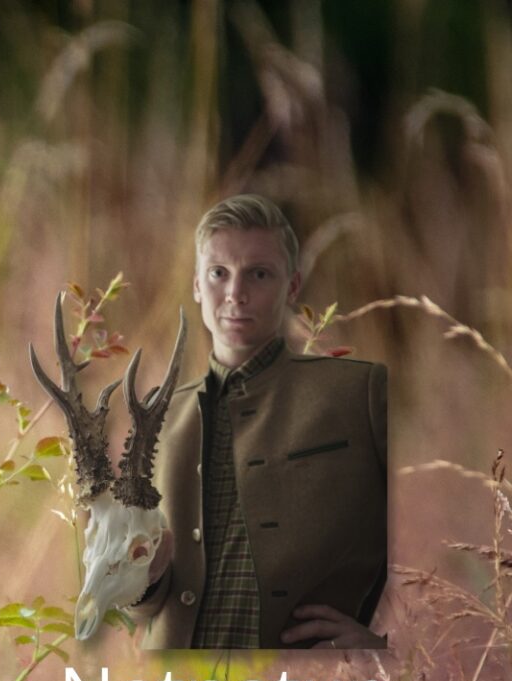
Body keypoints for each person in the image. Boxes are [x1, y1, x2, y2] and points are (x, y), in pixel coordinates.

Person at [128, 194, 388, 649]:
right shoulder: (160, 412)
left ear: (292, 287)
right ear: (195, 285)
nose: (235, 294)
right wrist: (139, 578)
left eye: (259, 274)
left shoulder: (359, 393)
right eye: (218, 274)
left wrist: (384, 643)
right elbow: (146, 602)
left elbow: (446, 543)